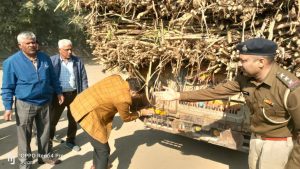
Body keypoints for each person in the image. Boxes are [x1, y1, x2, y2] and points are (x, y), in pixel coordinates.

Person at [154, 38, 300, 169]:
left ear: (261, 62)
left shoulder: (288, 88)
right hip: (256, 140)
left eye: (244, 60)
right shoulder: (245, 79)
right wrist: (179, 95)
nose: (239, 64)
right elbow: (215, 92)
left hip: (278, 146)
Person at [1, 31, 63, 169]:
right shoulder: (11, 62)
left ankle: (44, 156)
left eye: (33, 42)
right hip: (25, 103)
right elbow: (7, 87)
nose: (32, 45)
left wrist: (58, 92)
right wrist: (8, 107)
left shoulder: (44, 58)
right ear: (20, 45)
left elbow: (53, 77)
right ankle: (25, 163)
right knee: (24, 135)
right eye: (28, 43)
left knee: (44, 132)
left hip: (45, 102)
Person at [70, 74, 154, 169]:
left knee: (98, 144)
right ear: (133, 92)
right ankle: (100, 166)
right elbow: (126, 118)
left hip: (81, 102)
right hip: (87, 114)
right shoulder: (124, 99)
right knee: (104, 150)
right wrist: (141, 112)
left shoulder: (116, 77)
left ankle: (95, 166)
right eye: (136, 95)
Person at [49, 39, 88, 152]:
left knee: (73, 119)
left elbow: (84, 79)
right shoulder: (52, 61)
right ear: (60, 50)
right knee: (52, 121)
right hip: (58, 96)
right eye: (67, 50)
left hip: (74, 95)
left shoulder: (77, 61)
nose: (70, 52)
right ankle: (48, 143)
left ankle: (70, 141)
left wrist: (84, 95)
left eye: (71, 49)